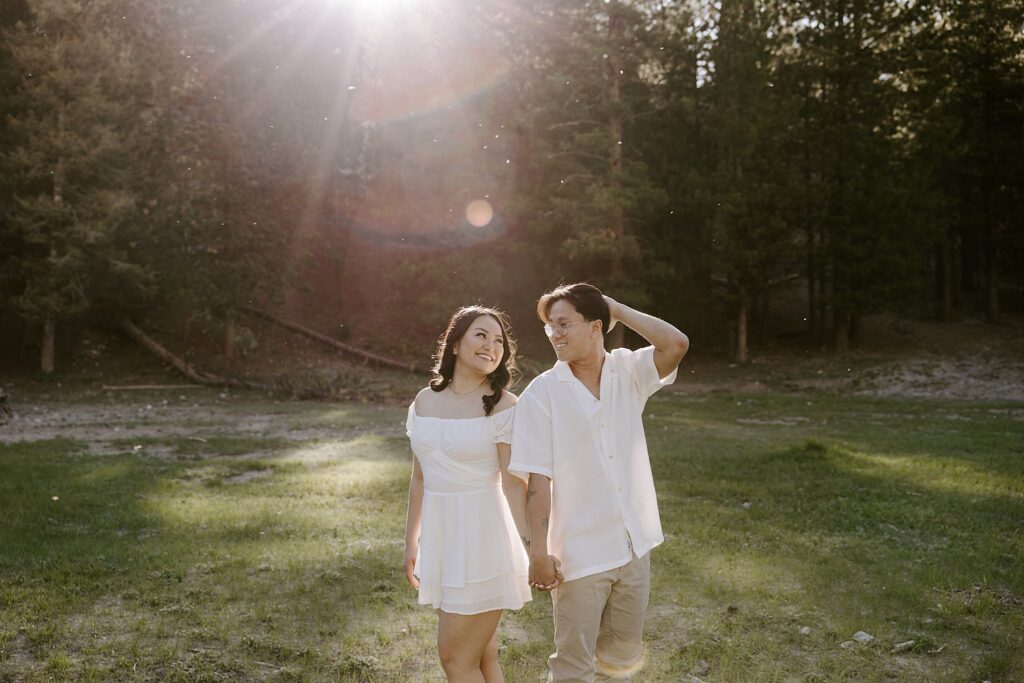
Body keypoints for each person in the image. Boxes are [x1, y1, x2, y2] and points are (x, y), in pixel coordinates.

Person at [509, 283, 689, 682]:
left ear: (595, 327)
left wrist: (616, 308)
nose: (555, 334)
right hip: (580, 555)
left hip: (634, 546)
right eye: (549, 327)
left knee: (619, 666)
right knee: (573, 669)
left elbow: (675, 343)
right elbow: (538, 480)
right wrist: (537, 552)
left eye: (563, 324)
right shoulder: (542, 394)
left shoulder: (628, 370)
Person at [403, 305, 535, 683]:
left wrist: (532, 546)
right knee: (482, 656)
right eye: (481, 335)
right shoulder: (424, 401)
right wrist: (411, 542)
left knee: (454, 658)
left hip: (482, 539)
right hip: (443, 539)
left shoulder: (505, 406)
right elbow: (420, 479)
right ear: (455, 343)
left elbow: (513, 483)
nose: (491, 346)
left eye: (499, 341)